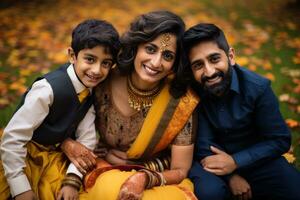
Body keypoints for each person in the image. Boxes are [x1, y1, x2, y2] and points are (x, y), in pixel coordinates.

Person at [61, 11, 199, 200]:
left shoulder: (180, 102)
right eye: (150, 49)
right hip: (101, 167)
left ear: (175, 63)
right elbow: (57, 116)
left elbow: (180, 169)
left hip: (157, 178)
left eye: (167, 55)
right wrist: (67, 143)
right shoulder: (103, 78)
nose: (156, 62)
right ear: (136, 47)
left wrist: (143, 174)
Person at [0, 19, 120, 200]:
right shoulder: (47, 90)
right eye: (90, 59)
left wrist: (72, 180)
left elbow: (86, 138)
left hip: (54, 158)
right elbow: (13, 138)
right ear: (72, 55)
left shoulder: (90, 90)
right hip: (22, 158)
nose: (97, 70)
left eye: (106, 63)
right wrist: (20, 188)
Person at [184, 23, 300, 200]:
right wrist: (231, 176)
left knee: (294, 188)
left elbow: (279, 139)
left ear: (230, 56)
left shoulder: (258, 89)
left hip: (256, 159)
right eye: (198, 65)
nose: (209, 71)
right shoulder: (194, 93)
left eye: (214, 59)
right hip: (210, 162)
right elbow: (203, 145)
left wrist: (236, 162)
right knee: (209, 193)